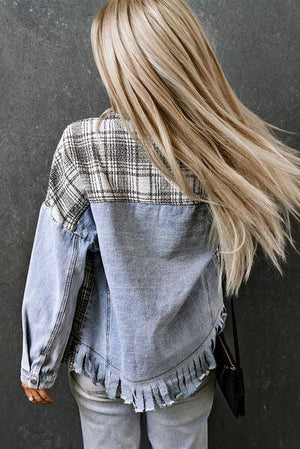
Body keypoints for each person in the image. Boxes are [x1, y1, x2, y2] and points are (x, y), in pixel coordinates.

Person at [20, 1, 300, 448]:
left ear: (120, 64)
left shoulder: (83, 145)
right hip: (188, 357)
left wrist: (39, 362)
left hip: (105, 359)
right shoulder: (220, 145)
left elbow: (58, 265)